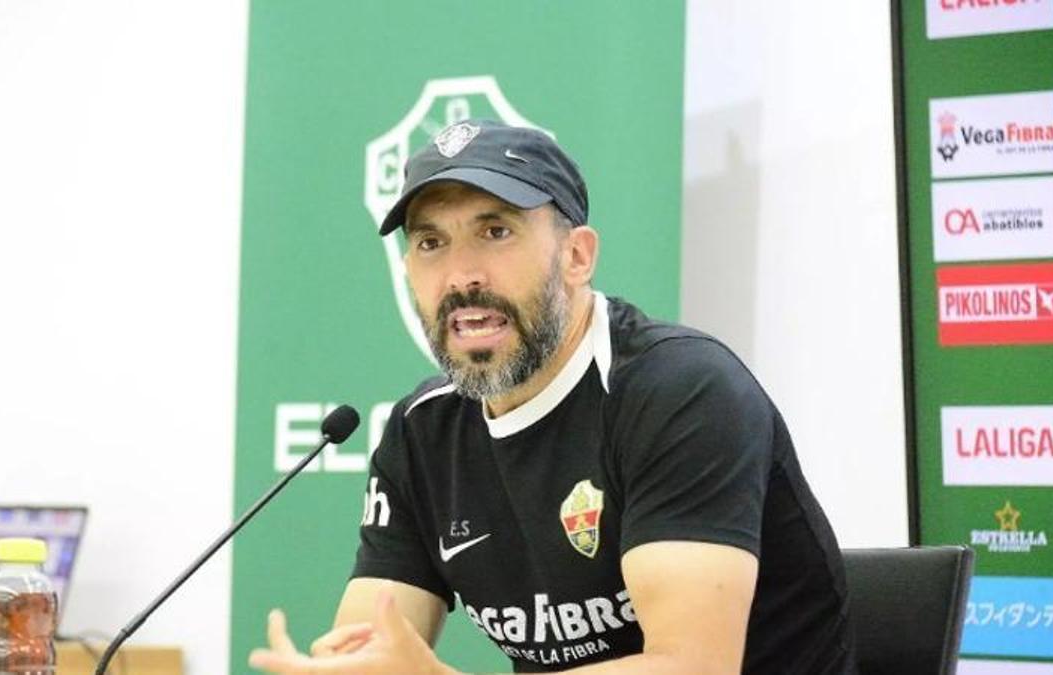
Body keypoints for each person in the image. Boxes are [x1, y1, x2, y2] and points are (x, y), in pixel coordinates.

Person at [249, 119, 856, 674]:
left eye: (495, 231)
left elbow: (690, 666)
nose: (462, 276)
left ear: (576, 255)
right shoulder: (421, 432)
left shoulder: (681, 392)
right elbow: (371, 641)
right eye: (431, 243)